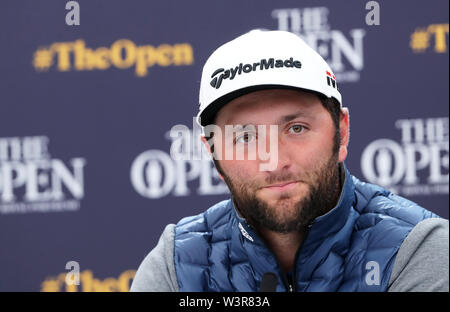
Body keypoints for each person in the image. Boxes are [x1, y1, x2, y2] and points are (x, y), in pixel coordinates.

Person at [130, 30, 449, 292]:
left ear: (342, 133)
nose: (275, 160)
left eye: (296, 128)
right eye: (245, 137)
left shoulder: (418, 249)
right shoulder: (175, 268)